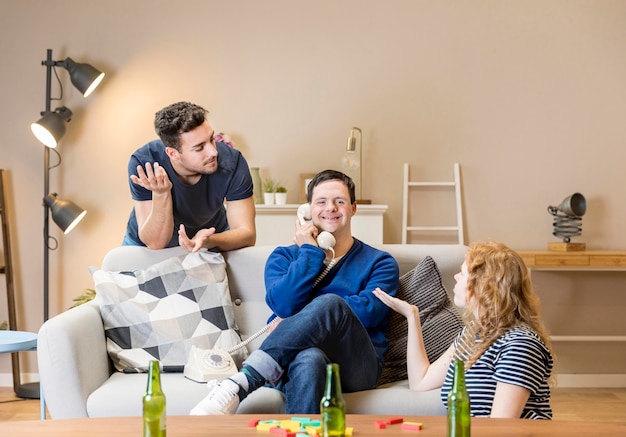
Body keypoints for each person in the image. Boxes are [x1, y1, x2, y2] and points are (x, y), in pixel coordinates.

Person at [190, 169, 399, 414]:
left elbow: (368, 313)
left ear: (353, 208)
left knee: (333, 304)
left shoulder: (381, 263)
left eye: (339, 201)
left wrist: (301, 320)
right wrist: (311, 254)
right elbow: (283, 306)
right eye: (321, 202)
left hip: (357, 366)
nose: (330, 208)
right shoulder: (284, 257)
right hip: (293, 360)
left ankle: (243, 382)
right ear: (308, 211)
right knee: (309, 359)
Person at [373, 241, 555, 420]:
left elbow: (502, 429)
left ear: (484, 285)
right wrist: (412, 315)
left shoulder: (519, 345)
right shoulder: (473, 335)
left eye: (462, 273)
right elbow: (421, 381)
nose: (456, 277)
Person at [122, 101, 256, 252]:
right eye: (199, 148)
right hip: (146, 244)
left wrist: (208, 240)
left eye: (212, 139)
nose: (213, 152)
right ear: (173, 154)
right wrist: (161, 194)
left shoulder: (232, 162)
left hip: (211, 236)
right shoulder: (145, 164)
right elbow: (156, 243)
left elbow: (247, 234)